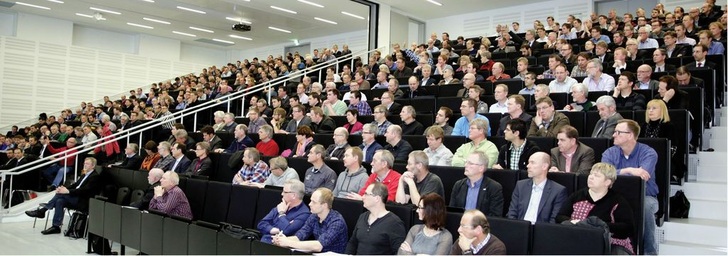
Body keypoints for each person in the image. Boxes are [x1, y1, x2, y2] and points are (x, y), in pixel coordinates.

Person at [601, 119, 658, 255]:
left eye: (618, 132)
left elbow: (642, 177)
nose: (613, 135)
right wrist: (629, 170)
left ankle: (649, 252)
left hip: (646, 196)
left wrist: (617, 173)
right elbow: (604, 174)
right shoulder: (609, 153)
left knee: (646, 208)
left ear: (630, 135)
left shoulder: (648, 153)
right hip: (615, 197)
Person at [556, 163, 635, 254]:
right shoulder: (577, 196)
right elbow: (560, 217)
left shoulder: (618, 201)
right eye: (591, 174)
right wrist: (576, 223)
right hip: (576, 238)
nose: (591, 177)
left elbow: (627, 228)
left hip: (609, 243)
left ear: (607, 182)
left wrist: (599, 226)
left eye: (596, 176)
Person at [25, 157, 102, 235]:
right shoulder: (84, 174)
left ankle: (42, 211)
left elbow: (85, 190)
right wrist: (64, 188)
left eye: (87, 164)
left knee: (60, 195)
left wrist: (67, 191)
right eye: (84, 163)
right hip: (75, 198)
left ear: (93, 166)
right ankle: (56, 227)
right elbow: (75, 185)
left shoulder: (95, 176)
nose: (85, 165)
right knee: (59, 201)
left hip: (83, 201)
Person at [273, 188, 349, 253]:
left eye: (314, 202)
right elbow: (300, 235)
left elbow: (318, 246)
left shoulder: (337, 222)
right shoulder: (314, 216)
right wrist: (281, 239)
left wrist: (288, 242)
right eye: (310, 200)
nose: (309, 204)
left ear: (324, 205)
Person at [345, 182, 407, 255]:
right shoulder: (363, 217)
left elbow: (399, 252)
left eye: (366, 194)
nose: (362, 197)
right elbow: (353, 242)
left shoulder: (394, 223)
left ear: (377, 198)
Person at [508, 152, 567, 223]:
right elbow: (512, 213)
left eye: (532, 163)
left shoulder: (558, 191)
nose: (528, 166)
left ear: (544, 166)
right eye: (528, 162)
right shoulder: (521, 185)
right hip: (520, 228)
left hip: (542, 231)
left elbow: (553, 221)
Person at [641, 99, 685, 180]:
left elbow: (673, 149)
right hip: (645, 160)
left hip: (664, 160)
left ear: (662, 110)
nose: (650, 111)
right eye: (648, 108)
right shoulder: (643, 126)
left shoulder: (668, 126)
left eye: (654, 108)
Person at [450, 151, 504, 217]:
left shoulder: (493, 188)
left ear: (481, 168)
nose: (466, 165)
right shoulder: (459, 185)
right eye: (466, 162)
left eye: (470, 163)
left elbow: (495, 216)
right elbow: (452, 212)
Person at [257, 180, 311, 244]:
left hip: (282, 248)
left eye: (285, 192)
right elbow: (261, 224)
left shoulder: (304, 214)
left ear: (293, 195)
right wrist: (274, 230)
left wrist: (282, 214)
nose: (282, 194)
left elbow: (287, 231)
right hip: (265, 241)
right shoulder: (281, 206)